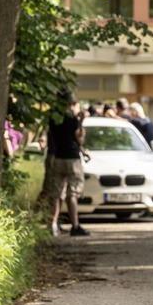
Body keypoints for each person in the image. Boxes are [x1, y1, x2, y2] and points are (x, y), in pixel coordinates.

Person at [49, 92, 90, 237]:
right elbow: (79, 138)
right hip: (72, 158)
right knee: (72, 193)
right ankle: (75, 225)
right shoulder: (73, 119)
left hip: (58, 157)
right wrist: (81, 122)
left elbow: (53, 138)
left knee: (56, 193)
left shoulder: (53, 118)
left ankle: (53, 225)